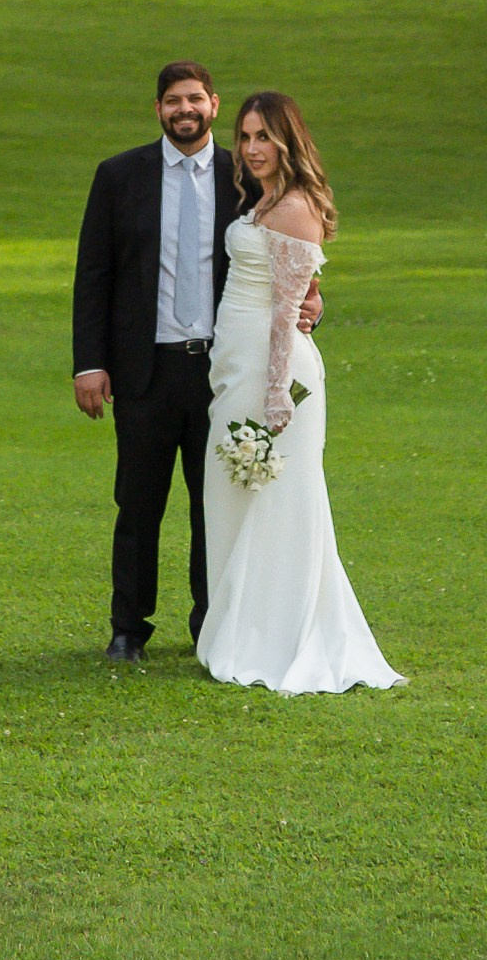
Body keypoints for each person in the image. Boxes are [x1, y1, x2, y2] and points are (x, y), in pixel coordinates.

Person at [70, 58, 319, 665]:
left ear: (213, 104)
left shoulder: (246, 176)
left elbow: (291, 256)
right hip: (144, 369)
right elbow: (93, 274)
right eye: (173, 100)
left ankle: (212, 622)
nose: (184, 110)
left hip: (222, 370)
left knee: (219, 500)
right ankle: (128, 628)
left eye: (195, 99)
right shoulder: (119, 175)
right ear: (158, 109)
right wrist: (89, 362)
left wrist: (314, 303)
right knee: (138, 503)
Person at [196, 88, 403, 695]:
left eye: (264, 136)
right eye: (245, 136)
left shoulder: (294, 206)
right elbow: (302, 289)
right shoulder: (261, 201)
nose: (252, 148)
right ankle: (240, 627)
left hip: (274, 373)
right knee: (234, 496)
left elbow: (288, 311)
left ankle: (279, 636)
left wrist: (276, 393)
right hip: (237, 367)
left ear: (288, 140)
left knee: (280, 501)